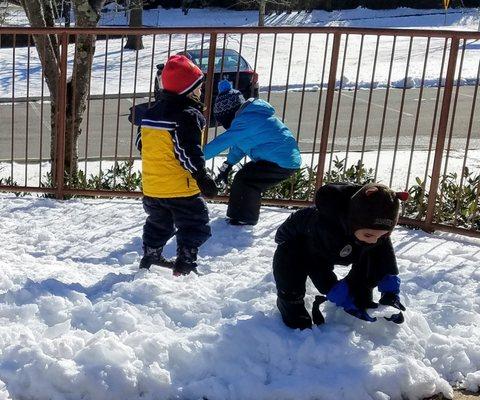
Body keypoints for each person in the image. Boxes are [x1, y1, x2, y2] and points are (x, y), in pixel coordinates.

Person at [273, 182, 409, 330]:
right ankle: (290, 302)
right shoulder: (326, 228)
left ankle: (358, 292)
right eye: (369, 234)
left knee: (372, 252)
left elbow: (384, 258)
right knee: (292, 262)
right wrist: (337, 293)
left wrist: (390, 292)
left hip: (344, 241)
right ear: (354, 222)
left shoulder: (373, 231)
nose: (374, 240)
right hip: (298, 243)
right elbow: (316, 266)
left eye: (383, 235)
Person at [136, 55, 217, 276]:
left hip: (152, 187)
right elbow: (187, 150)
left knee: (159, 222)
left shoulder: (150, 114)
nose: (201, 92)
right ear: (189, 90)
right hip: (180, 188)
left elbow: (141, 144)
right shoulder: (188, 116)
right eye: (199, 87)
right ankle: (186, 261)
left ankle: (151, 254)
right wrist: (202, 176)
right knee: (196, 223)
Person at [203, 80, 301, 226]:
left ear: (230, 114)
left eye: (224, 122)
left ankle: (245, 218)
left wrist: (197, 156)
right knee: (245, 177)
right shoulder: (249, 117)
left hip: (282, 161)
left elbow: (222, 142)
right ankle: (238, 216)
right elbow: (240, 146)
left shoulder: (246, 120)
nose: (225, 126)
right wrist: (228, 164)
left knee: (247, 180)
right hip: (277, 159)